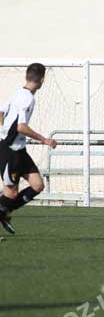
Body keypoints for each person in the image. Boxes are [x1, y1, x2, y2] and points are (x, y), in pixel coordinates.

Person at [0, 63, 57, 234]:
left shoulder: (18, 93)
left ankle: (4, 212)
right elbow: (21, 127)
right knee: (11, 192)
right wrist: (44, 140)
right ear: (42, 79)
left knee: (37, 185)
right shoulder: (28, 98)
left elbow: (1, 112)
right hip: (10, 150)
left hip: (20, 150)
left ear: (26, 75)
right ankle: (2, 210)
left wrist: (4, 126)